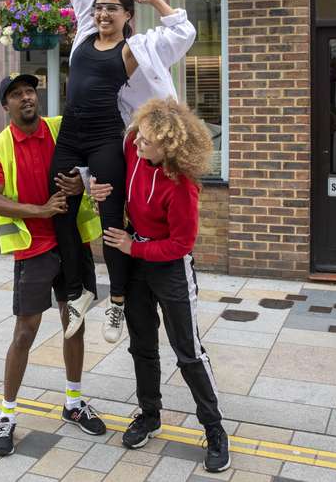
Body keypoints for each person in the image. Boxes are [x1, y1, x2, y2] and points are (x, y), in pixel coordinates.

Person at [49, 0, 196, 345]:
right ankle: (79, 292)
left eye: (111, 7)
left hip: (122, 139)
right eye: (99, 8)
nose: (101, 12)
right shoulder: (82, 33)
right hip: (78, 133)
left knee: (112, 213)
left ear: (127, 15)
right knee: (61, 199)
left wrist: (159, 2)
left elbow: (182, 32)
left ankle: (117, 301)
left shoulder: (141, 49)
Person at [90, 98, 230, 473]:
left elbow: (181, 245)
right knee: (142, 346)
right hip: (137, 263)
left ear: (167, 147)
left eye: (146, 142)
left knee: (188, 350)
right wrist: (95, 186)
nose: (135, 144)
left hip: (170, 269)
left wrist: (135, 247)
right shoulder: (134, 145)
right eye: (138, 138)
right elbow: (108, 170)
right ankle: (150, 415)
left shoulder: (183, 187)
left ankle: (214, 429)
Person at [0, 74, 106, 457]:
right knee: (25, 332)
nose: (26, 98)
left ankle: (73, 402)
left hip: (73, 244)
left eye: (30, 91)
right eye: (16, 95)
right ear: (6, 106)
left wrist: (82, 184)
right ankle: (6, 415)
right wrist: (39, 210)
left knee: (74, 324)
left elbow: (93, 164)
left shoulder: (59, 128)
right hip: (34, 249)